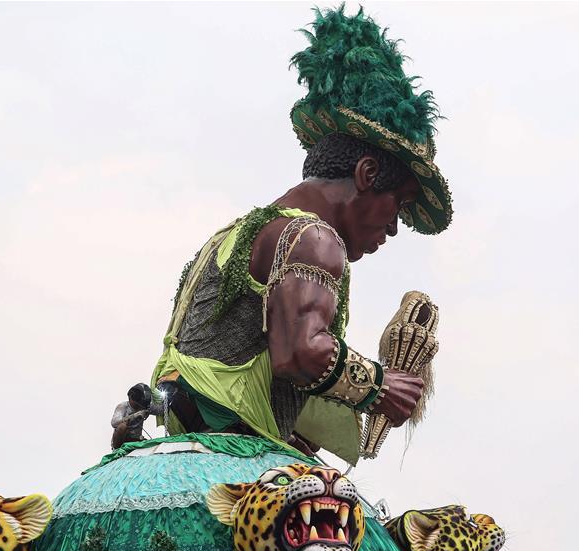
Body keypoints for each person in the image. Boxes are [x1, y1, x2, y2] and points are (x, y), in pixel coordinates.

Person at [149, 6, 453, 464]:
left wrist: (294, 430)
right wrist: (382, 385)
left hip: (184, 439)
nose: (393, 227)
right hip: (232, 457)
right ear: (367, 174)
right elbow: (301, 353)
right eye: (400, 205)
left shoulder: (235, 233)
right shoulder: (312, 239)